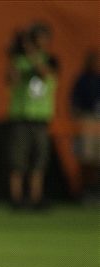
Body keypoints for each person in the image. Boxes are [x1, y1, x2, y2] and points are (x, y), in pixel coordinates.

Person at [7, 23, 59, 209]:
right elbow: (11, 80)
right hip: (21, 117)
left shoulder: (50, 60)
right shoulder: (19, 61)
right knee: (18, 160)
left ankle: (36, 198)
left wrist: (31, 54)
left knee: (39, 160)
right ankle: (17, 199)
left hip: (41, 118)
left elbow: (45, 74)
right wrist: (14, 55)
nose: (40, 42)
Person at [70, 49, 100, 202]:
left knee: (97, 159)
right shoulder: (82, 79)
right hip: (87, 119)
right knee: (86, 157)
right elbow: (74, 103)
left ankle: (96, 189)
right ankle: (85, 190)